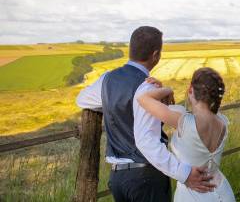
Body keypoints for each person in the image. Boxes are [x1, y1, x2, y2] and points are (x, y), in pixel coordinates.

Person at [76, 26, 214, 202]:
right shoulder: (147, 88)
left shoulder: (107, 79)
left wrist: (115, 104)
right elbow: (146, 142)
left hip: (118, 179)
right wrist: (185, 174)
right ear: (155, 55)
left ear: (131, 49)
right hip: (146, 177)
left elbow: (82, 99)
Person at [138, 67, 236, 202]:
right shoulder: (222, 121)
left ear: (190, 89)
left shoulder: (183, 121)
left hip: (193, 196)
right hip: (223, 192)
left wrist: (167, 90)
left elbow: (142, 98)